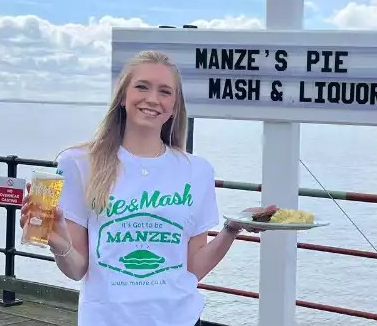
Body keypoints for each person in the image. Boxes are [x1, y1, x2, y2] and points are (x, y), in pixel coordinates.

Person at [19, 50, 253, 326]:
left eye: (165, 91)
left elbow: (193, 268)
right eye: (142, 86)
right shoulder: (78, 162)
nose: (152, 99)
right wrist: (59, 244)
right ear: (122, 96)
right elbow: (77, 269)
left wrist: (231, 229)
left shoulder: (198, 171)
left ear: (174, 106)